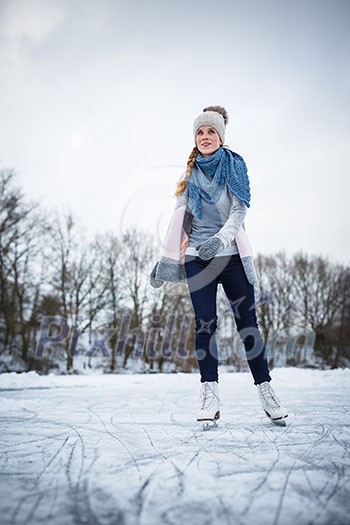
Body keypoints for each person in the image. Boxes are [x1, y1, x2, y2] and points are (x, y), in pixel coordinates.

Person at [150, 105, 288, 428]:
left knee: (248, 325)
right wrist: (165, 262)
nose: (205, 137)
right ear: (195, 139)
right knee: (205, 324)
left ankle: (266, 392)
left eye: (211, 131)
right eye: (200, 132)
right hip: (198, 258)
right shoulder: (188, 177)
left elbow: (239, 213)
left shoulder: (234, 166)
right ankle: (209, 394)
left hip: (232, 257)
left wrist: (221, 241)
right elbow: (178, 223)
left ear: (221, 136)